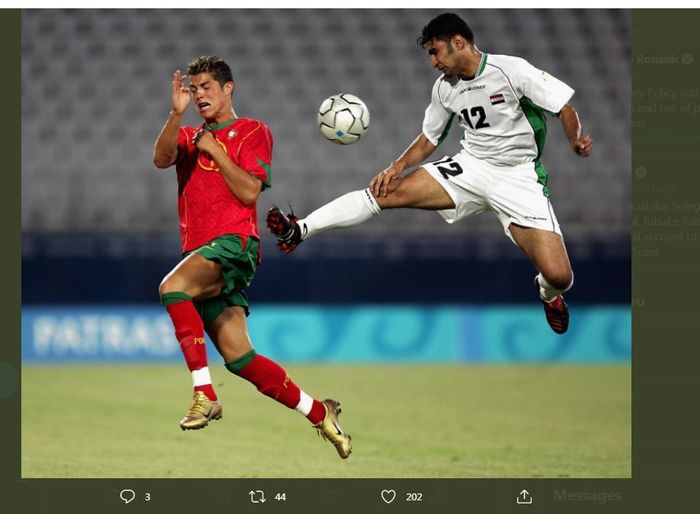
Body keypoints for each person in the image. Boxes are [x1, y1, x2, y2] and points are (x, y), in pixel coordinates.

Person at [267, 13, 592, 335]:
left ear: (459, 42)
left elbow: (563, 106)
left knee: (560, 276)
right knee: (385, 191)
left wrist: (575, 138)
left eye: (435, 51)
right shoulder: (444, 89)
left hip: (518, 177)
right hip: (472, 167)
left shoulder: (511, 70)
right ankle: (300, 229)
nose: (433, 62)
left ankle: (547, 294)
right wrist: (396, 167)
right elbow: (429, 138)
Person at [152, 55, 351, 459]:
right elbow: (160, 158)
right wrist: (176, 116)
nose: (199, 95)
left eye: (207, 86)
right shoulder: (191, 136)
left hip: (234, 244)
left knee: (172, 288)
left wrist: (215, 150)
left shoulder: (252, 131)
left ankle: (204, 394)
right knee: (240, 359)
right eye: (194, 89)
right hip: (203, 252)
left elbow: (248, 193)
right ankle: (319, 412)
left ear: (229, 88)